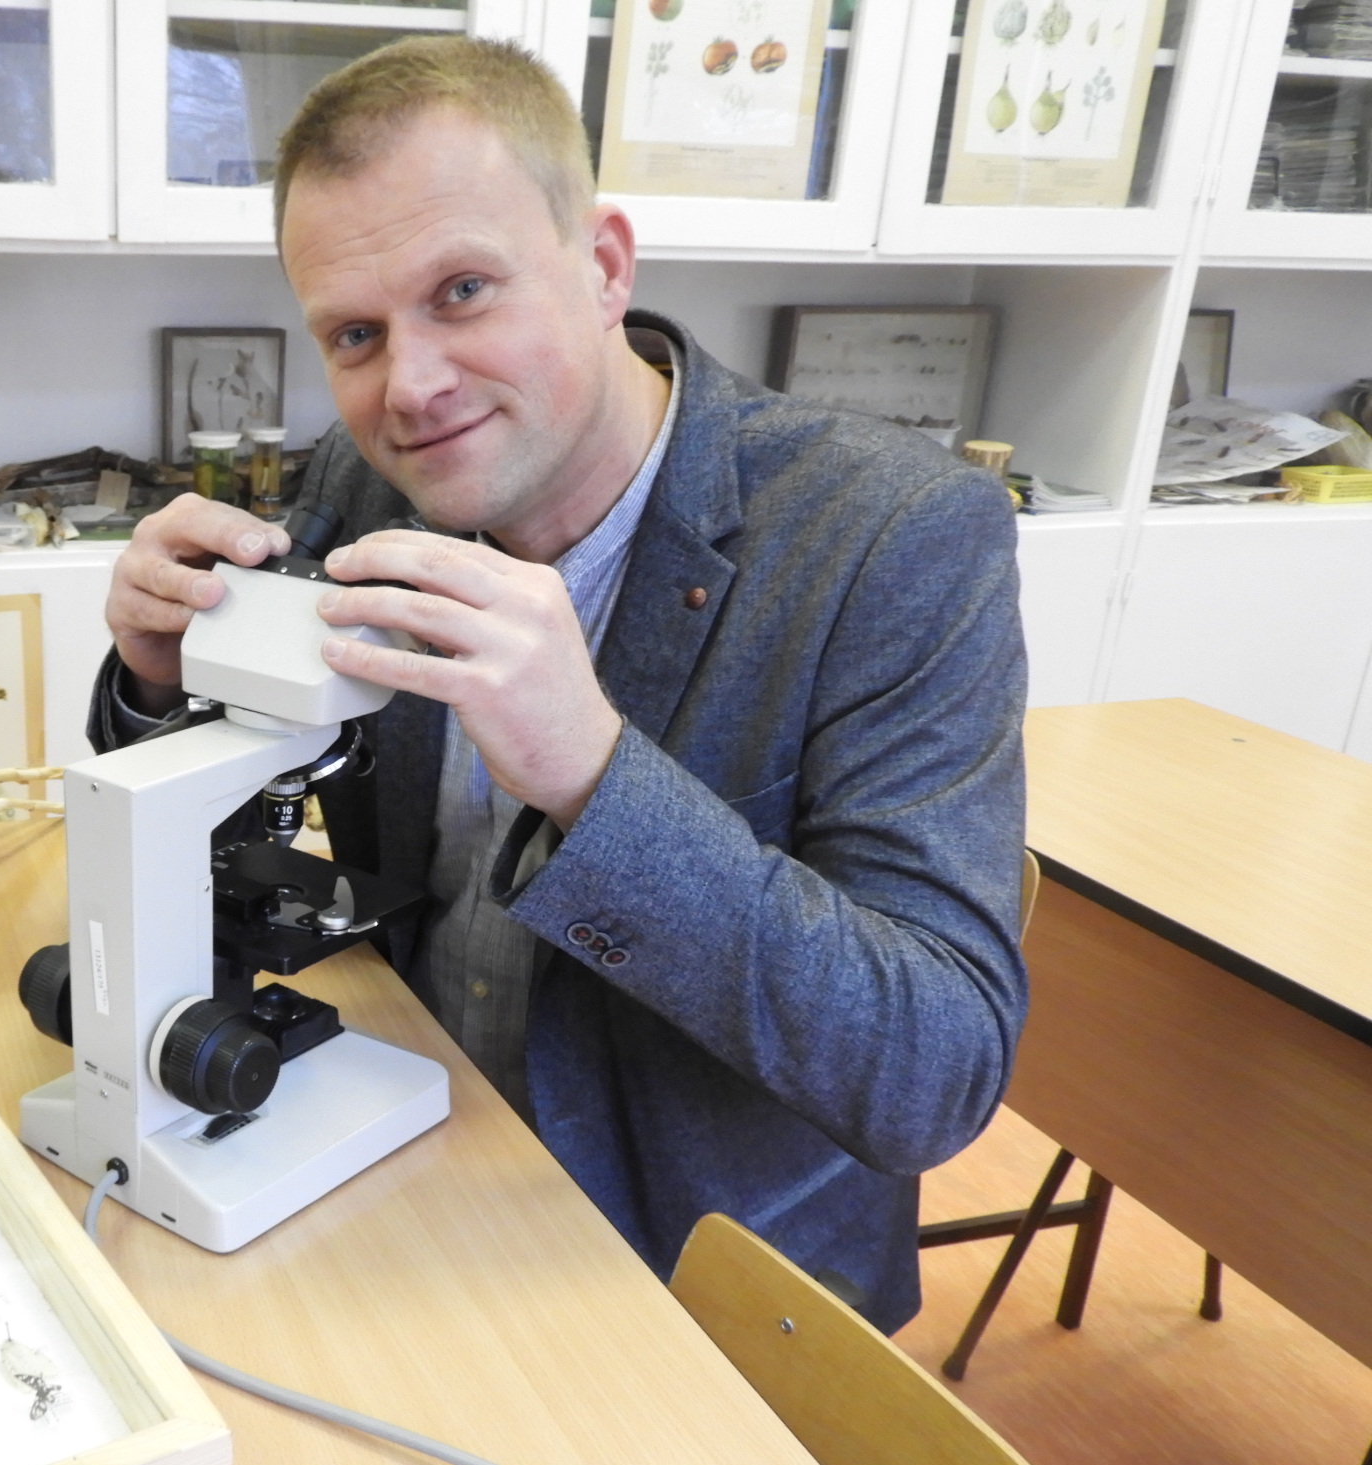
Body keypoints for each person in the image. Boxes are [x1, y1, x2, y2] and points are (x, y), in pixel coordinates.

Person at [91, 36, 1027, 1330]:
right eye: (355, 334)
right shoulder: (375, 481)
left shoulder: (895, 536)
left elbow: (933, 1071)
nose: (411, 386)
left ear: (603, 268)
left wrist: (594, 772)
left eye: (464, 291)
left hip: (684, 1267)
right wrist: (160, 680)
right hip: (399, 1144)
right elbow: (262, 800)